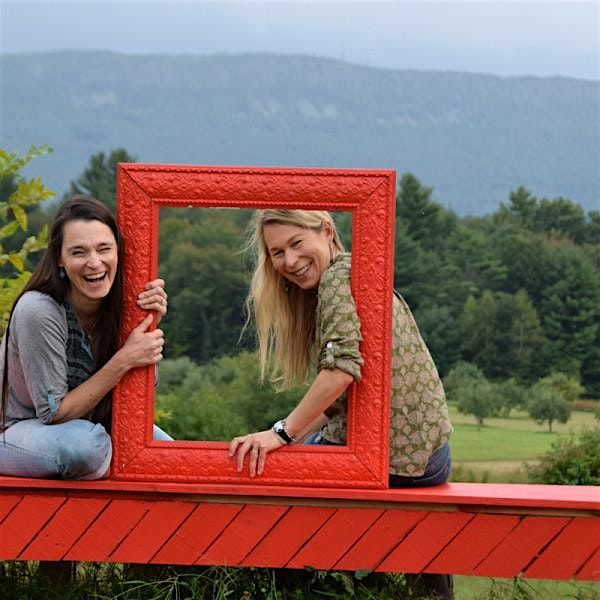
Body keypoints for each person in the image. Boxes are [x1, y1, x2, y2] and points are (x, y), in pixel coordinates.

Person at [229, 209, 454, 599]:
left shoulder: (338, 278)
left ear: (327, 231)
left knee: (262, 483)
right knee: (282, 456)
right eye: (277, 253)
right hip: (427, 456)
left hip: (392, 458)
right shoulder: (355, 275)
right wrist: (290, 433)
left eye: (297, 244)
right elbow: (343, 398)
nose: (289, 262)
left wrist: (281, 434)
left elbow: (341, 372)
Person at [0, 195, 170, 480]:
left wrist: (147, 325)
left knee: (170, 457)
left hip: (85, 425)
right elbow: (54, 413)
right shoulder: (38, 309)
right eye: (79, 252)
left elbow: (139, 395)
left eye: (104, 249)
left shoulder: (120, 307)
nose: (94, 262)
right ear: (60, 259)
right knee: (85, 448)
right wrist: (125, 358)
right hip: (14, 429)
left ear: (118, 252)